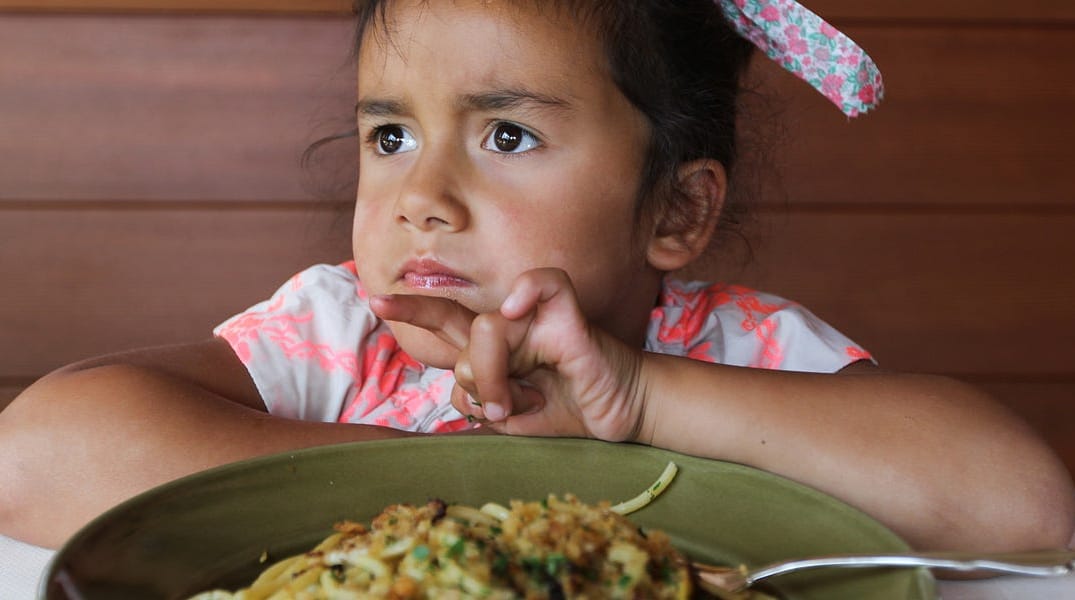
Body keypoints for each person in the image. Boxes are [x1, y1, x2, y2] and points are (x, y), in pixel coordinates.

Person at [1, 0, 1072, 555]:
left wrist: (642, 400)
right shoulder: (338, 339)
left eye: (506, 135)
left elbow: (1021, 507)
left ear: (675, 209)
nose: (422, 194)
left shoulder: (737, 357)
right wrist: (493, 491)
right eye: (388, 136)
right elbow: (35, 455)